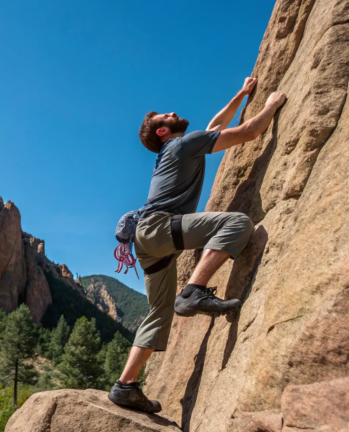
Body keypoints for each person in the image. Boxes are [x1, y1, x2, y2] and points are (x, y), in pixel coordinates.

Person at [108, 77, 286, 413]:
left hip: (147, 240)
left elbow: (214, 126)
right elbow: (249, 132)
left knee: (159, 312)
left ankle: (125, 386)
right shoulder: (182, 146)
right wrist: (271, 105)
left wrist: (240, 95)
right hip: (161, 228)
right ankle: (194, 290)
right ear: (162, 131)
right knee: (237, 223)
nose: (173, 112)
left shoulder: (177, 149)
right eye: (165, 115)